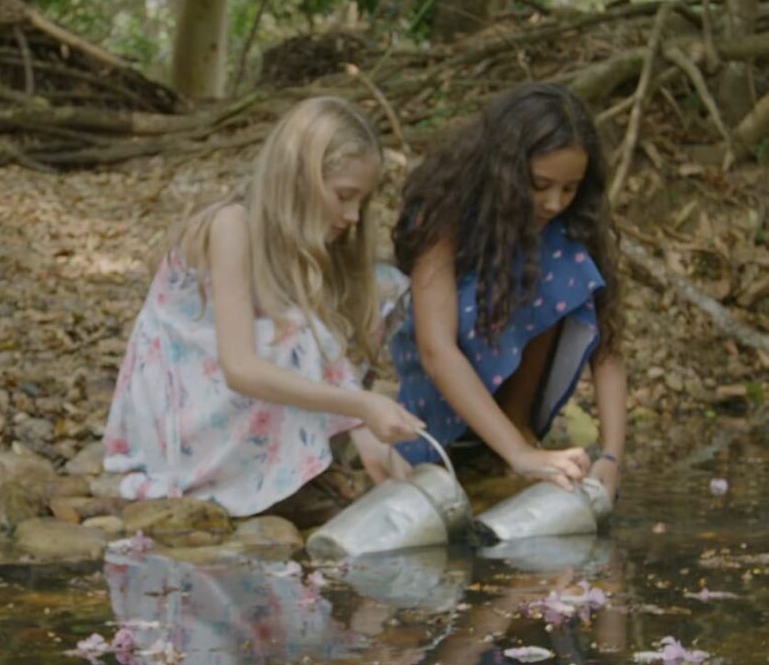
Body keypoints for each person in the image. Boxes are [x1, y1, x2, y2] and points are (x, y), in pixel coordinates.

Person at [103, 96, 422, 517]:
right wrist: (360, 407)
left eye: (361, 202)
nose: (353, 216)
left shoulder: (295, 246)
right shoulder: (229, 225)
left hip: (220, 391)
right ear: (299, 179)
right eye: (344, 196)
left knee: (378, 291)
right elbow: (240, 367)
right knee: (302, 337)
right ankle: (280, 478)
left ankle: (320, 464)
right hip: (177, 415)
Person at [389, 83, 626, 503]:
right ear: (505, 168)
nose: (554, 203)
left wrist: (610, 455)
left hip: (510, 394)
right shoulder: (444, 209)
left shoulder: (565, 233)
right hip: (434, 387)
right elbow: (435, 349)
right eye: (539, 184)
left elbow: (607, 345)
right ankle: (497, 441)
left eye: (569, 189)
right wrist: (519, 456)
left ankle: (513, 422)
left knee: (560, 265)